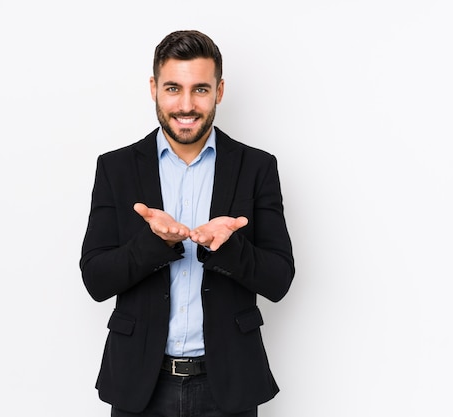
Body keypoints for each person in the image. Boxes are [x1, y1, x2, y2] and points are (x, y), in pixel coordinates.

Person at [80, 29, 295, 417]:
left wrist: (229, 247)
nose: (186, 104)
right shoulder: (116, 168)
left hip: (228, 384)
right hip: (140, 385)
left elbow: (279, 280)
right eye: (173, 88)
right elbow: (95, 280)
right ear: (154, 88)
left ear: (219, 90)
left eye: (200, 89)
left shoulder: (257, 167)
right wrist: (154, 243)